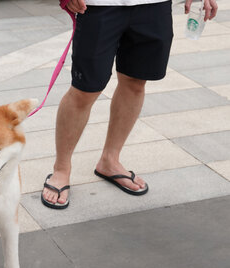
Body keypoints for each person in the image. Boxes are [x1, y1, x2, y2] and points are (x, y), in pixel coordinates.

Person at [41, 0, 218, 209]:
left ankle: (110, 160)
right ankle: (61, 169)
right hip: (99, 6)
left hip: (154, 5)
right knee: (85, 90)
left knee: (135, 82)